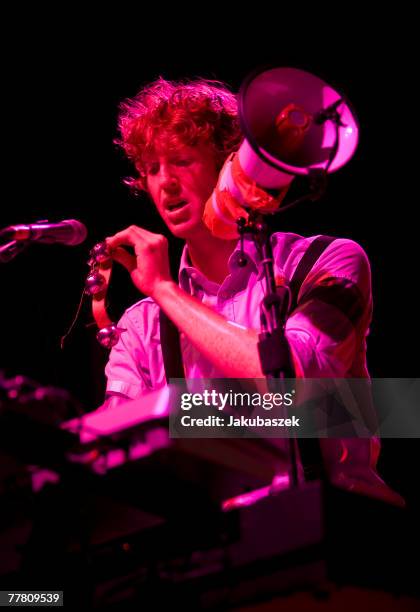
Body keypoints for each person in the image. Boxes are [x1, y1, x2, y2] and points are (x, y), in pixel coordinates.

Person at [103, 76, 404, 506]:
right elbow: (110, 454)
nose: (164, 182)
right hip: (220, 548)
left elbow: (297, 384)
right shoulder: (141, 324)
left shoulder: (326, 261)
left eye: (182, 161)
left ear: (229, 161)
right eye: (151, 169)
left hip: (344, 529)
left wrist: (165, 289)